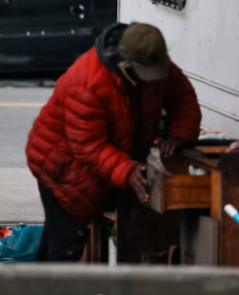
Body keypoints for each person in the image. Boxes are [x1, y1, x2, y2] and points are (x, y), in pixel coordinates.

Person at [26, 22, 202, 261]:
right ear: (125, 62)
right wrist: (127, 171)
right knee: (66, 245)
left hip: (107, 160)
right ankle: (48, 293)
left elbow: (183, 97)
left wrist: (179, 135)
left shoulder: (152, 59)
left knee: (57, 244)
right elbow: (88, 147)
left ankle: (35, 289)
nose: (151, 80)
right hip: (62, 166)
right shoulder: (87, 83)